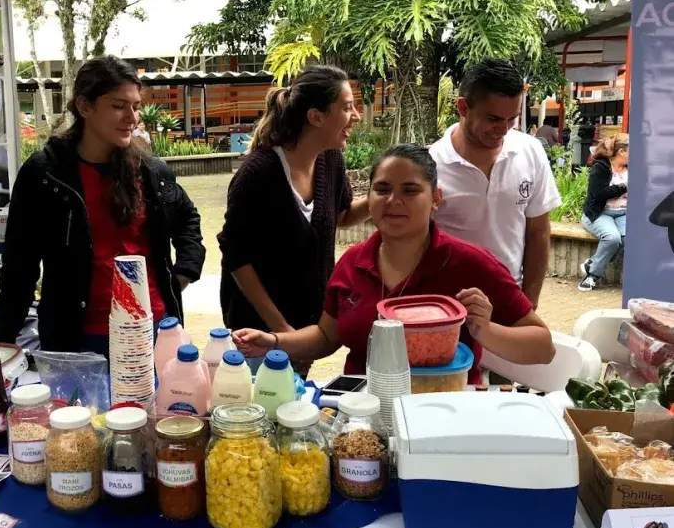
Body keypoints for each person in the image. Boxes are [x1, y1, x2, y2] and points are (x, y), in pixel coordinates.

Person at [232, 144, 554, 381]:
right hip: (362, 418)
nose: (393, 201)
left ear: (436, 200)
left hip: (445, 415)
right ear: (368, 198)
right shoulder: (352, 263)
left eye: (410, 190)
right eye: (382, 189)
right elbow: (326, 337)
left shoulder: (470, 264)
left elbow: (543, 348)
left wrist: (486, 330)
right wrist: (275, 342)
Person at [0, 56, 205, 356]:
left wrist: (183, 272)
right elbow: (18, 267)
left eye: (135, 106)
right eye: (118, 105)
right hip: (78, 337)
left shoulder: (151, 170)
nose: (132, 117)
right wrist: (3, 343)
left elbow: (187, 219)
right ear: (85, 106)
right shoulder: (46, 175)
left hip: (154, 328)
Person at [218, 65, 369, 339]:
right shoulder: (258, 173)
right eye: (347, 108)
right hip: (257, 332)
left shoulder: (331, 158)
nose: (356, 116)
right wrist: (282, 331)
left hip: (307, 324)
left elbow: (342, 216)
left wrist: (384, 197)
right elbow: (237, 260)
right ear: (316, 117)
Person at [430, 58, 561, 309]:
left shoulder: (530, 151)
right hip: (448, 304)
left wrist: (528, 303)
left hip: (508, 298)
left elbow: (538, 232)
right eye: (493, 118)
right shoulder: (432, 163)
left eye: (511, 119)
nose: (503, 129)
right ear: (463, 107)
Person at [579, 133, 629, 292]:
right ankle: (592, 276)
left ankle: (591, 263)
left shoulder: (633, 168)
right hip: (599, 213)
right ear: (621, 151)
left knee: (629, 240)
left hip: (623, 213)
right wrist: (624, 187)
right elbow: (598, 194)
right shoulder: (601, 167)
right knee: (612, 238)